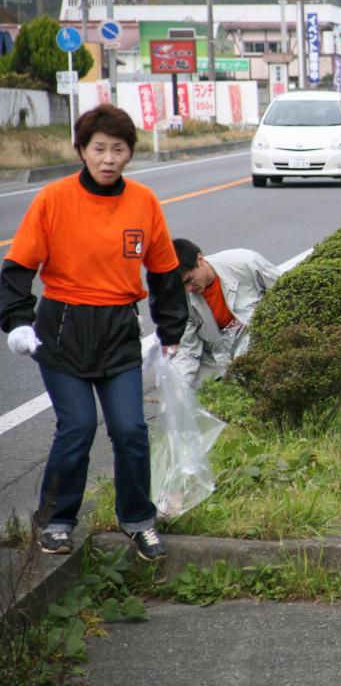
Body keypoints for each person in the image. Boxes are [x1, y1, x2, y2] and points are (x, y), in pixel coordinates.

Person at [0, 105, 188, 560]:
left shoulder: (143, 202)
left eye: (118, 150)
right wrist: (18, 322)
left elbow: (163, 272)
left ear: (129, 154)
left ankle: (138, 520)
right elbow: (18, 267)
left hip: (119, 329)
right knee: (78, 426)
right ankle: (57, 520)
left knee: (129, 429)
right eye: (98, 148)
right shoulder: (54, 199)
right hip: (63, 328)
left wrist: (170, 333)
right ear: (81, 150)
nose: (108, 159)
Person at [171, 239, 280, 390]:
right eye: (182, 285)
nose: (189, 289)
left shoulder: (246, 263)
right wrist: (178, 389)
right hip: (215, 358)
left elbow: (286, 293)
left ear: (200, 260)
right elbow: (187, 349)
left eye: (190, 280)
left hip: (262, 341)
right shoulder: (180, 298)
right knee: (196, 398)